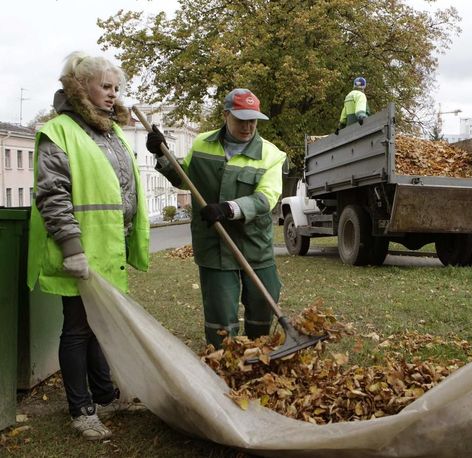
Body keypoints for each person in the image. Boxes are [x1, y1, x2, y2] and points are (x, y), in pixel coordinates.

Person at [27, 51, 150, 440]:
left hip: (107, 248)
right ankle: (81, 409)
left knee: (98, 328)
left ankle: (105, 395)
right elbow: (52, 194)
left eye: (116, 88)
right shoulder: (61, 130)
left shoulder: (108, 132)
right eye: (105, 86)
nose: (113, 94)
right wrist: (71, 246)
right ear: (81, 87)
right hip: (80, 250)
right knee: (78, 329)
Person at [145, 88, 287, 348]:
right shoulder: (202, 144)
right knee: (220, 317)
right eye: (241, 119)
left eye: (252, 120)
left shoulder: (271, 154)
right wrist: (161, 154)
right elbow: (183, 177)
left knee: (263, 306)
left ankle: (260, 360)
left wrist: (228, 208)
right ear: (226, 115)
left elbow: (266, 198)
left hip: (255, 245)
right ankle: (223, 367)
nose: (247, 126)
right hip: (214, 245)